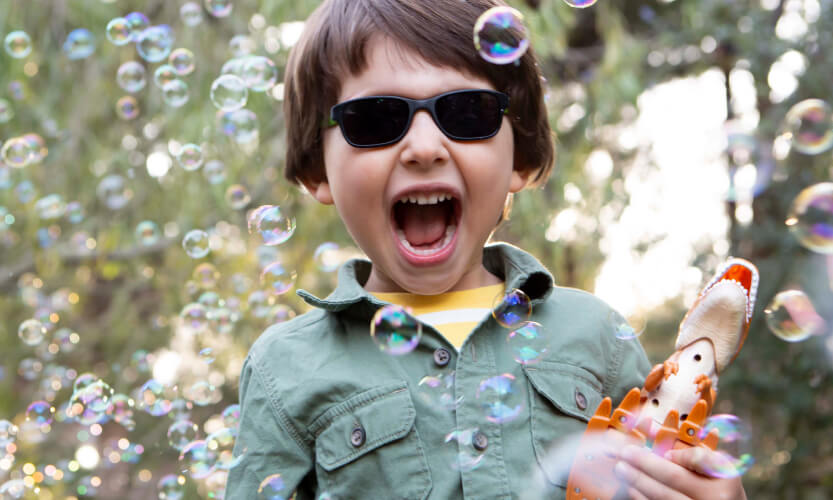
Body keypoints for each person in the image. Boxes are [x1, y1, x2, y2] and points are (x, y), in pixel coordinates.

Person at [226, 1, 747, 499]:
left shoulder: (595, 338)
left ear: (518, 157)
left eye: (468, 112)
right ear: (318, 167)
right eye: (377, 119)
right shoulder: (285, 368)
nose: (425, 148)